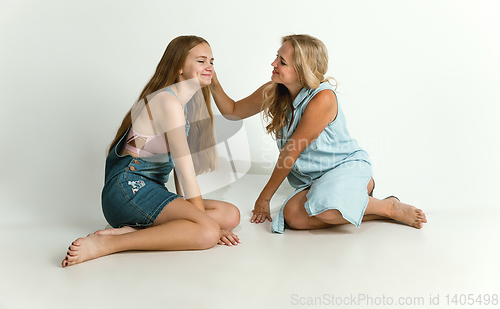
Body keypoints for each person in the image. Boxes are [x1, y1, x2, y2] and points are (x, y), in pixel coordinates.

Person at [210, 34, 427, 234]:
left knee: (322, 209)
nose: (274, 64)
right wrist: (213, 80)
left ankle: (386, 206)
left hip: (345, 168)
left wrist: (265, 198)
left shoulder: (322, 99)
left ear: (302, 71)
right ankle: (360, 206)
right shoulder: (274, 89)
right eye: (277, 57)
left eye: (282, 62)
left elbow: (291, 152)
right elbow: (233, 112)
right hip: (314, 181)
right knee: (293, 217)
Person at [62, 36, 241, 268]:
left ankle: (129, 230)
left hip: (149, 191)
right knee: (207, 233)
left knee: (230, 214)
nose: (210, 67)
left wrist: (194, 215)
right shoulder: (168, 102)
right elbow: (187, 173)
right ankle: (108, 245)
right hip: (127, 191)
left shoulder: (181, 105)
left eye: (212, 61)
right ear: (179, 67)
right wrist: (204, 224)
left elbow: (179, 171)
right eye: (201, 60)